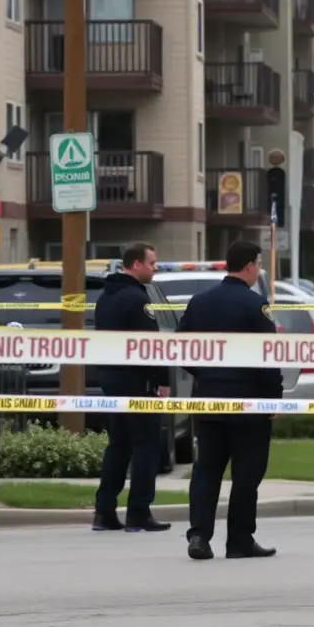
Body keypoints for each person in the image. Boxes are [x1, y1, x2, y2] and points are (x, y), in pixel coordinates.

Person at [179, 240, 283, 560]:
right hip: (248, 405)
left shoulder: (200, 302)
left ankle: (199, 536)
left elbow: (181, 347)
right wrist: (273, 398)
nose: (259, 270)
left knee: (207, 469)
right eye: (259, 264)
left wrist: (205, 374)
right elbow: (268, 356)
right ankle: (238, 540)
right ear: (250, 266)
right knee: (246, 474)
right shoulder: (255, 305)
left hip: (208, 400)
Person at [92, 243, 172, 533]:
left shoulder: (105, 297)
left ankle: (104, 511)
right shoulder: (137, 299)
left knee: (119, 446)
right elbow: (149, 345)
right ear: (136, 264)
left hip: (111, 380)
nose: (155, 268)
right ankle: (139, 512)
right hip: (137, 382)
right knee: (147, 445)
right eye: (152, 263)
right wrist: (162, 380)